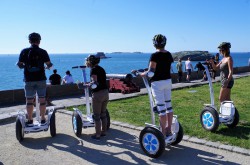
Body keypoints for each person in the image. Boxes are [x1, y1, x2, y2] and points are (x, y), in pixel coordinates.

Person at [140, 34, 174, 139]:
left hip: (157, 83)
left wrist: (142, 73)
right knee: (168, 105)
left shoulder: (154, 55)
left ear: (154, 44)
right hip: (168, 81)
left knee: (161, 108)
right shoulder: (168, 54)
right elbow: (164, 67)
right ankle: (169, 129)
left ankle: (162, 132)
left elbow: (151, 73)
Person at [16, 32, 53, 126]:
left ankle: (29, 119)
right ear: (39, 41)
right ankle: (43, 118)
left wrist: (24, 66)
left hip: (28, 79)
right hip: (41, 79)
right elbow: (49, 64)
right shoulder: (43, 51)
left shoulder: (24, 51)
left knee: (29, 101)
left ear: (29, 41)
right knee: (42, 100)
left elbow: (19, 64)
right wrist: (47, 66)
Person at [85, 55, 109, 140]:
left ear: (90, 62)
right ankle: (104, 132)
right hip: (105, 92)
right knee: (103, 114)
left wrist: (87, 85)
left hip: (98, 94)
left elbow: (94, 83)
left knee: (96, 116)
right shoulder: (101, 69)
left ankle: (97, 134)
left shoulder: (93, 70)